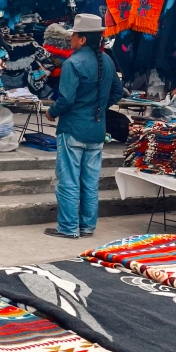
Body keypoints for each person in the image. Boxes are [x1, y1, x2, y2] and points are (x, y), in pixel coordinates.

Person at [44, 12, 123, 238]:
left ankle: (68, 228)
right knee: (89, 182)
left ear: (83, 39)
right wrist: (98, 104)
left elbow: (66, 99)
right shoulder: (107, 61)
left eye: (74, 35)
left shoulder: (73, 63)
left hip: (73, 129)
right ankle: (87, 227)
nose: (71, 39)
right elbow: (117, 92)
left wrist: (51, 112)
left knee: (68, 181)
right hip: (97, 130)